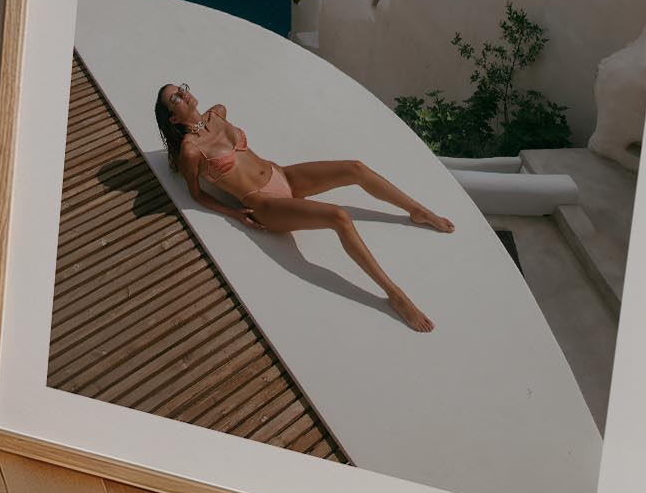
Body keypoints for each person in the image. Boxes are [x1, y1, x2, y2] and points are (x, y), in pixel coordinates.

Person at [152, 82, 451, 332]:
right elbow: (196, 195)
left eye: (182, 87)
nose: (184, 93)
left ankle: (417, 210)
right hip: (264, 203)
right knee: (339, 216)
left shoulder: (217, 114)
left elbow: (222, 114)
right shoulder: (191, 151)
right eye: (176, 97)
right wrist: (235, 214)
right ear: (174, 119)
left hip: (282, 174)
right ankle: (395, 295)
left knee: (355, 168)